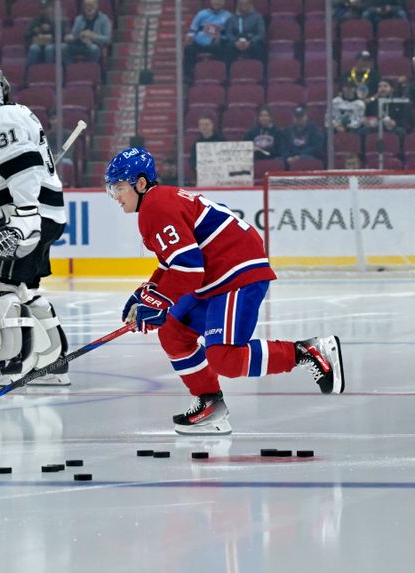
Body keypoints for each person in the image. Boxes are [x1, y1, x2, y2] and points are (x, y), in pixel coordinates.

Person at [104, 147, 345, 435]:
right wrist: (149, 291)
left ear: (141, 184)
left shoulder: (156, 207)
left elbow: (189, 267)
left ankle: (307, 352)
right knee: (173, 332)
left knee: (225, 358)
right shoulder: (157, 203)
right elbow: (174, 263)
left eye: (120, 187)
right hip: (216, 275)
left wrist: (159, 302)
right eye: (111, 189)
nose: (115, 196)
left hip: (234, 272)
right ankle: (210, 404)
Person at [0, 69, 69, 387]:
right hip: (43, 215)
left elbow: (21, 167)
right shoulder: (19, 114)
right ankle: (53, 358)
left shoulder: (2, 118)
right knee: (25, 289)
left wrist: (23, 220)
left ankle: (11, 362)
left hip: (20, 218)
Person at [183, 0, 232, 83]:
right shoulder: (202, 14)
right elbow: (193, 29)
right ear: (211, 2)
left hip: (217, 44)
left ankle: (220, 76)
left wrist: (221, 38)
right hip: (199, 43)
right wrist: (190, 36)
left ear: (223, 3)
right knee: (188, 49)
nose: (217, 3)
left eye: (220, 1)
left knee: (225, 49)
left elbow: (229, 33)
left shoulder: (228, 16)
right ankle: (189, 76)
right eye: (215, 1)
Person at [64, 0, 112, 66]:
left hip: (94, 45)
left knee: (94, 49)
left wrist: (92, 36)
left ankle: (91, 71)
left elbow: (108, 39)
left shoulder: (104, 19)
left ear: (97, 6)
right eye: (86, 6)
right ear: (83, 7)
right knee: (64, 48)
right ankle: (70, 70)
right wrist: (72, 37)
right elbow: (73, 35)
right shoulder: (79, 19)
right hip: (79, 45)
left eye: (91, 5)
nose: (89, 8)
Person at [25, 0, 58, 69]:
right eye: (43, 9)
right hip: (38, 42)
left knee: (49, 49)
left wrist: (51, 29)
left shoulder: (55, 20)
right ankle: (30, 71)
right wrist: (35, 31)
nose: (45, 11)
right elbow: (26, 35)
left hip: (51, 42)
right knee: (33, 48)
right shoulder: (35, 20)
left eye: (47, 8)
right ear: (40, 10)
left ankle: (49, 70)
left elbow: (60, 35)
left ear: (51, 9)